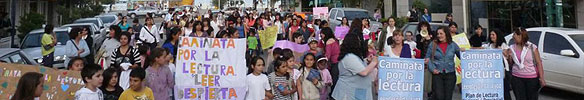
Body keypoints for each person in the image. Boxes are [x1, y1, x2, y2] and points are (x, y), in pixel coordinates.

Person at [332, 33, 378, 100]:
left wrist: (367, 61)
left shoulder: (353, 56)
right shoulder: (349, 57)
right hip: (348, 94)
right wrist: (374, 62)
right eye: (358, 41)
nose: (360, 43)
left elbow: (358, 66)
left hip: (357, 92)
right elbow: (363, 72)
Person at [425, 26, 461, 100]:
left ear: (446, 34)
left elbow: (462, 56)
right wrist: (432, 69)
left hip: (450, 74)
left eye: (441, 33)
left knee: (448, 97)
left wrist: (465, 52)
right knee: (439, 97)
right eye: (438, 34)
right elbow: (427, 58)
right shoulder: (433, 44)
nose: (439, 35)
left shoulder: (453, 45)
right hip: (437, 74)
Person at [508, 27, 545, 100]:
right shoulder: (512, 47)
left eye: (514, 35)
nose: (513, 37)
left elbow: (538, 63)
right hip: (517, 77)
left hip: (531, 78)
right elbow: (511, 63)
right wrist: (509, 57)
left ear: (520, 36)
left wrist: (541, 77)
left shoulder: (532, 47)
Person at [480, 29, 512, 100]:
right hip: (492, 72)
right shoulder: (489, 46)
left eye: (493, 35)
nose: (491, 36)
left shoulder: (503, 45)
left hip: (502, 72)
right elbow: (479, 49)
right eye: (490, 35)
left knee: (505, 92)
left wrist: (501, 50)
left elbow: (508, 55)